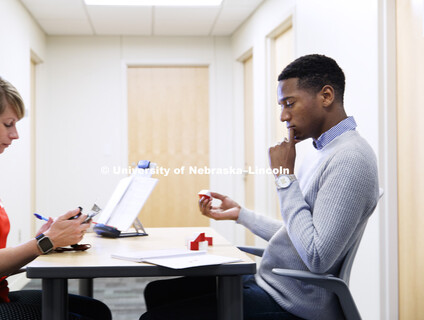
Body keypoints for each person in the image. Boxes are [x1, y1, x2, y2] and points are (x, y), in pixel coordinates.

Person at [140, 54, 380, 320]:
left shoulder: (350, 158)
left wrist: (283, 178)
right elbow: (299, 235)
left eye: (289, 104)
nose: (283, 116)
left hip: (293, 304)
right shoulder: (325, 150)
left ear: (326, 96)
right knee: (158, 293)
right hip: (273, 285)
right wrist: (241, 214)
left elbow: (316, 256)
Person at [0, 73, 112, 320]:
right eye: (8, 124)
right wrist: (46, 242)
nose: (16, 135)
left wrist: (45, 238)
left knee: (96, 310)